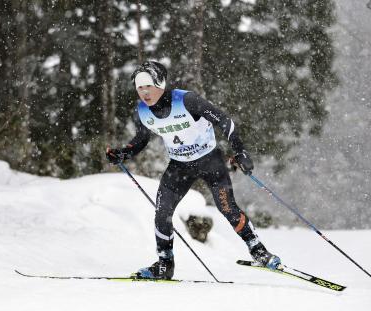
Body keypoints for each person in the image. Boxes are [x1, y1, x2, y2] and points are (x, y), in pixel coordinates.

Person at [106, 61, 281, 280]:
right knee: (162, 214)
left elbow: (225, 121)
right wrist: (123, 153)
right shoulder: (142, 111)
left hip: (210, 162)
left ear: (160, 83)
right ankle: (165, 264)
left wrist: (240, 151)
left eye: (148, 86)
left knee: (227, 208)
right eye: (139, 88)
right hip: (179, 166)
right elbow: (141, 140)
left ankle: (259, 252)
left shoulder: (186, 100)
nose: (144, 92)